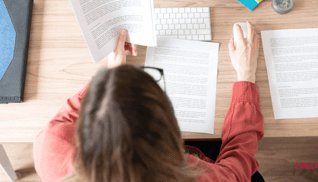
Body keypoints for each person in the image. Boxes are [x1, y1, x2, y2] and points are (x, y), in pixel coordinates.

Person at [33, 21, 264, 182]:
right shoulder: (194, 176)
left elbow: (67, 117)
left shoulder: (51, 149)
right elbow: (237, 168)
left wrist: (112, 76)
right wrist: (246, 76)